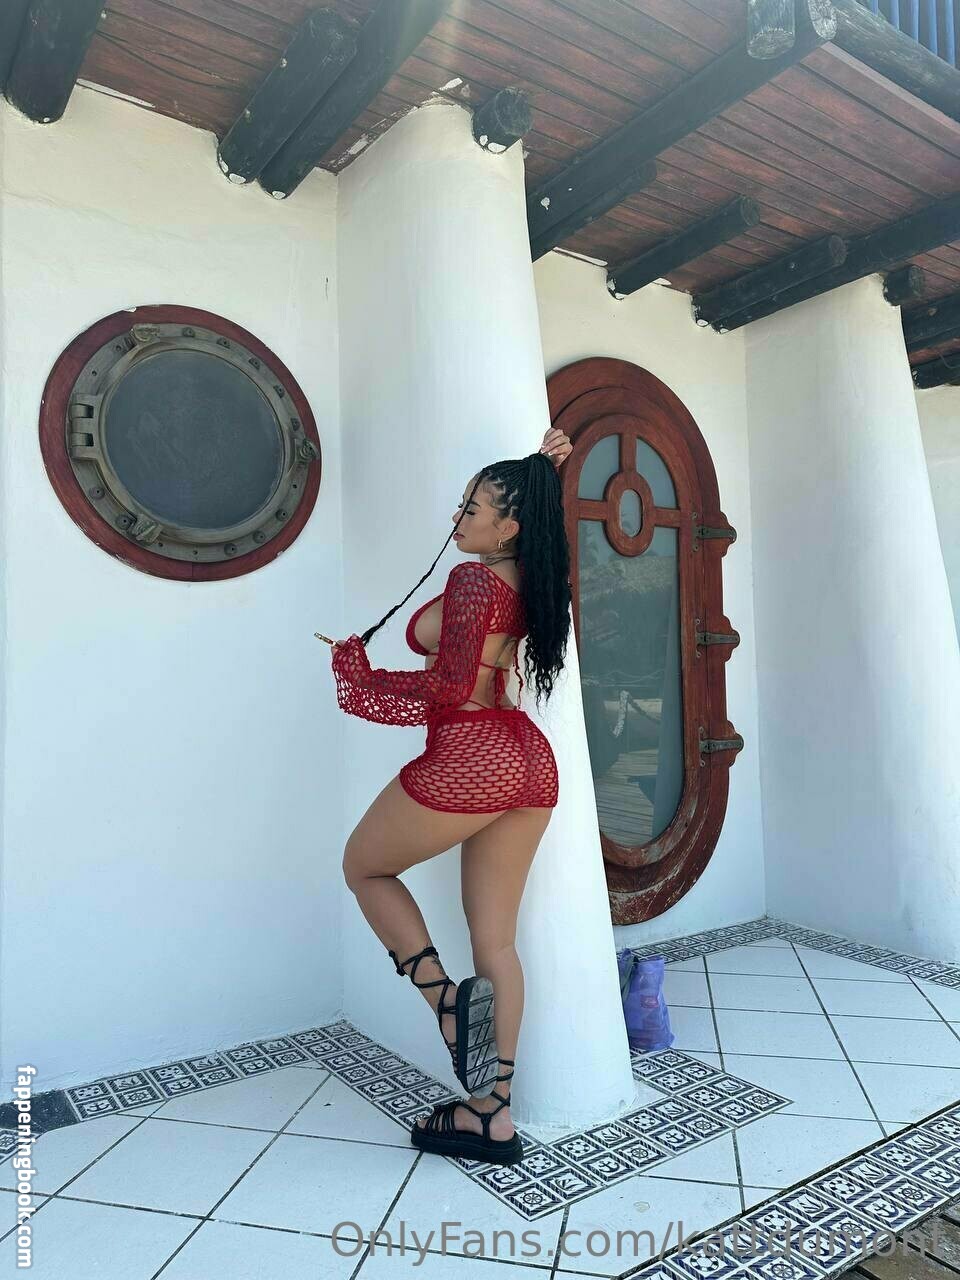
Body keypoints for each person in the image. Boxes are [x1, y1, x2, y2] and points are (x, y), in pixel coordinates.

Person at [329, 426, 573, 1166]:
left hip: (474, 754)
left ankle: (445, 1005)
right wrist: (541, 467)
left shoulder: (474, 582)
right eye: (461, 503)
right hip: (529, 761)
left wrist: (358, 676)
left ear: (509, 526)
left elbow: (444, 685)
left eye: (472, 508)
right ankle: (491, 1116)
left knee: (363, 867)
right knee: (495, 943)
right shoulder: (533, 580)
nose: (458, 517)